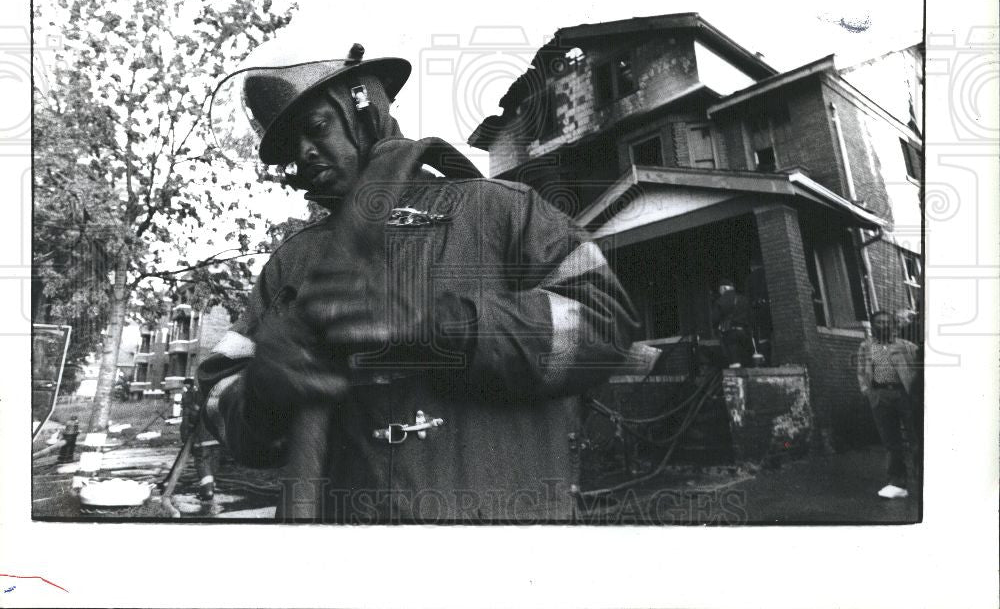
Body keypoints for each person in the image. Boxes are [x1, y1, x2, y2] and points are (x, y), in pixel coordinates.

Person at [197, 34, 639, 522]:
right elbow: (217, 402)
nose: (305, 159)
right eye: (290, 154)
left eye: (317, 127)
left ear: (363, 106)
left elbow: (606, 326)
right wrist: (260, 391)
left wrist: (439, 327)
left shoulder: (503, 211)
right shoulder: (292, 265)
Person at [856, 310, 920, 499]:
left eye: (887, 322)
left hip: (904, 395)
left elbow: (919, 366)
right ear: (873, 326)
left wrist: (916, 392)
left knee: (916, 437)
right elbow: (861, 371)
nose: (883, 325)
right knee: (891, 441)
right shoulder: (866, 347)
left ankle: (923, 477)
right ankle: (897, 482)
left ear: (892, 325)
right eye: (879, 322)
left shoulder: (906, 346)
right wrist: (867, 392)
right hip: (880, 395)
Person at [180, 377, 217, 504]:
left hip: (202, 437)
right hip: (216, 437)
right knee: (211, 462)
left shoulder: (190, 398)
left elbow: (187, 420)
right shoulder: (212, 396)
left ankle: (207, 491)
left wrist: (184, 437)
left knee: (201, 461)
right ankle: (209, 488)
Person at [711, 279, 753, 368]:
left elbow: (714, 319)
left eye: (720, 290)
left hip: (729, 334)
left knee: (735, 364)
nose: (720, 292)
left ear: (723, 288)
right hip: (744, 333)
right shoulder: (744, 299)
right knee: (745, 361)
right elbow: (750, 316)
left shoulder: (720, 301)